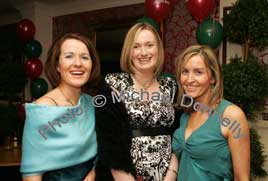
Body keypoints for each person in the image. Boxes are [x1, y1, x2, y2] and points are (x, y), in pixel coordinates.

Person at [94, 22, 182, 181]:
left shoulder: (170, 86)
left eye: (149, 45)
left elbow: (177, 135)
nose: (143, 52)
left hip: (167, 175)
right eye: (136, 46)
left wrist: (171, 174)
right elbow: (108, 142)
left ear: (158, 49)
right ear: (129, 51)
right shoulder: (114, 83)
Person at [20, 33, 101, 181]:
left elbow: (102, 147)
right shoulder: (41, 110)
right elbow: (32, 175)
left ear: (92, 64)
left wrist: (94, 172)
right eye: (69, 56)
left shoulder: (92, 104)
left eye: (84, 57)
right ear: (57, 65)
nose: (78, 63)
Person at [172, 45, 250, 180]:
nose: (189, 79)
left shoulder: (231, 115)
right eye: (185, 71)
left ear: (213, 77)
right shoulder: (186, 114)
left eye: (198, 72)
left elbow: (241, 178)